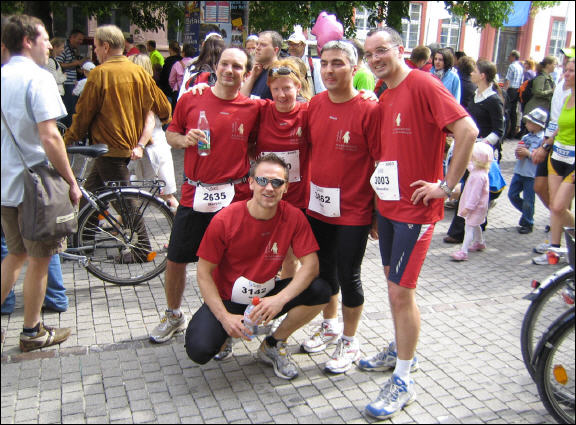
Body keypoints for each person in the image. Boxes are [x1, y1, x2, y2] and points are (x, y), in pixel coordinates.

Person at [361, 28, 477, 419]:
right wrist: (375, 208)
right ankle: (398, 348)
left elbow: (467, 130)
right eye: (369, 54)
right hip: (388, 208)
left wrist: (446, 186)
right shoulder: (385, 94)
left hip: (416, 213)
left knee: (400, 293)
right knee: (393, 287)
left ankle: (404, 379)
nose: (375, 59)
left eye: (381, 50)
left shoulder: (424, 84)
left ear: (400, 50)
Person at [149, 47, 261, 344]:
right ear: (216, 66)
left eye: (237, 66)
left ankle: (227, 324)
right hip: (195, 193)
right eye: (225, 64)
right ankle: (174, 315)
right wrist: (184, 139)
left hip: (234, 196)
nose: (229, 70)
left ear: (246, 73)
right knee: (176, 258)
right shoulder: (191, 98)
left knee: (230, 263)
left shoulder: (253, 108)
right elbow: (170, 134)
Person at [185, 154, 330, 379]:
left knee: (321, 290)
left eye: (277, 182)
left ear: (286, 187)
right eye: (262, 180)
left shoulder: (293, 216)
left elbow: (311, 266)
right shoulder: (225, 219)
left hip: (267, 299)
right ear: (251, 183)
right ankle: (227, 333)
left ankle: (273, 343)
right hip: (228, 300)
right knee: (199, 349)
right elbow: (203, 273)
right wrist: (224, 318)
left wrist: (279, 300)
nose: (269, 188)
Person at [1, 14, 82, 351]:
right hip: (33, 186)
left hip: (5, 184)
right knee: (39, 260)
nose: (49, 45)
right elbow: (50, 136)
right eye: (45, 38)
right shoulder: (38, 78)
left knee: (15, 255)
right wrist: (71, 180)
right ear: (27, 41)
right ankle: (32, 332)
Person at [300, 40, 381, 375]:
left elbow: (380, 162)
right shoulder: (315, 104)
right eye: (324, 63)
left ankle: (350, 340)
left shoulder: (369, 109)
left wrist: (376, 213)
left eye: (337, 63)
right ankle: (330, 325)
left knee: (349, 275)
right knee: (324, 272)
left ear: (354, 68)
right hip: (318, 206)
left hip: (353, 210)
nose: (329, 70)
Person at [63, 25, 171, 263]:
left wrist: (68, 140)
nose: (95, 52)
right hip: (123, 146)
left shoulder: (99, 74)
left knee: (123, 202)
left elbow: (83, 114)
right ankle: (82, 242)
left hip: (108, 146)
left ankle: (141, 249)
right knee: (92, 193)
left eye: (96, 47)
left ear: (105, 46)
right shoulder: (139, 73)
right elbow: (164, 108)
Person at [444, 60, 504, 244]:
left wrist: (482, 145)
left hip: (481, 154)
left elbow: (499, 131)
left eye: (475, 71)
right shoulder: (475, 96)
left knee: (470, 190)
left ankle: (458, 232)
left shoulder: (493, 100)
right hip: (469, 148)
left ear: (483, 75)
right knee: (469, 189)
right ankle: (476, 225)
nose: (471, 73)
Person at [531, 48, 574, 253]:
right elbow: (557, 124)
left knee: (559, 206)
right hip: (556, 152)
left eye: (571, 70)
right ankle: (554, 249)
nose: (566, 73)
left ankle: (563, 241)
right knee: (549, 198)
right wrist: (546, 144)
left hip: (572, 158)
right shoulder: (564, 94)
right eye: (566, 68)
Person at [128, 53, 179, 212]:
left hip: (151, 149)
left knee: (163, 196)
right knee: (143, 194)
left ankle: (184, 225)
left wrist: (140, 145)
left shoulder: (144, 91)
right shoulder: (150, 89)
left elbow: (149, 122)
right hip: (154, 147)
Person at [450, 143, 494, 261]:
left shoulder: (478, 176)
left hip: (475, 207)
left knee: (469, 228)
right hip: (478, 207)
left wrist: (468, 208)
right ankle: (480, 242)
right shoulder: (480, 171)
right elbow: (469, 166)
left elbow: (475, 195)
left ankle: (463, 251)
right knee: (476, 224)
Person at [508, 108, 548, 234]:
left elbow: (540, 158)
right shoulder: (525, 137)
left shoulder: (543, 140)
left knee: (528, 200)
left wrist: (528, 153)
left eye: (530, 122)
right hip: (519, 171)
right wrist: (518, 153)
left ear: (538, 125)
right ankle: (528, 214)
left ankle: (528, 222)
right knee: (512, 195)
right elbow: (519, 153)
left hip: (531, 175)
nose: (526, 124)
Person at [56, 29, 89, 127]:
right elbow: (59, 64)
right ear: (72, 38)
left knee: (72, 108)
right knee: (69, 108)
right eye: (79, 39)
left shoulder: (72, 49)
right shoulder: (65, 49)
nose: (81, 42)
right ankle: (67, 129)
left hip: (72, 82)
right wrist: (76, 63)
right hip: (66, 83)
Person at [241, 31, 282, 100]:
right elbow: (241, 100)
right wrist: (252, 77)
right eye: (257, 44)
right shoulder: (257, 71)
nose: (257, 48)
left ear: (275, 50)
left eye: (263, 45)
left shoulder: (279, 74)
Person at [503, 50, 524, 138]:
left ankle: (506, 132)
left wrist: (504, 91)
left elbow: (508, 80)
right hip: (517, 90)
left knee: (507, 110)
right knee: (513, 112)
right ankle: (512, 132)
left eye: (510, 56)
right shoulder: (520, 67)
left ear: (513, 57)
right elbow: (521, 80)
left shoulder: (512, 66)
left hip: (511, 90)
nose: (509, 58)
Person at [158, 41, 182, 107]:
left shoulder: (168, 61)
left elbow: (164, 76)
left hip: (168, 90)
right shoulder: (182, 60)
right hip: (179, 90)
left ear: (170, 49)